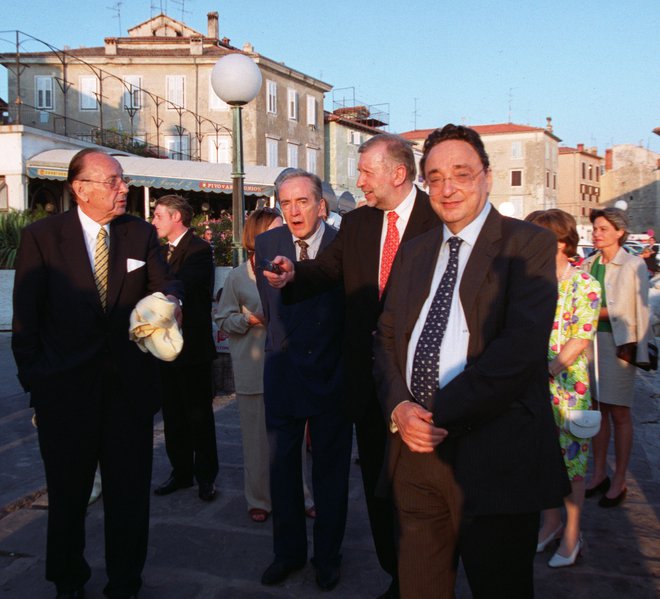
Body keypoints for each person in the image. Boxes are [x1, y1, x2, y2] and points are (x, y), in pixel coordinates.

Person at [372, 124, 569, 598]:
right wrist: (400, 407)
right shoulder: (416, 250)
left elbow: (518, 353)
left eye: (461, 173)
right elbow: (386, 336)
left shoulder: (527, 246)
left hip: (494, 457)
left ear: (488, 177)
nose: (447, 187)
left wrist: (437, 412)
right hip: (416, 457)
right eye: (435, 177)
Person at [262, 133, 440, 598]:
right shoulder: (361, 224)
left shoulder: (438, 220)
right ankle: (397, 575)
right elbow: (327, 271)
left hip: (424, 388)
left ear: (397, 174)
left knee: (424, 493)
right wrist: (293, 274)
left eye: (365, 172)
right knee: (380, 488)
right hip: (367, 385)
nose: (358, 181)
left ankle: (424, 578)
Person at [11, 149, 183, 599]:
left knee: (129, 497)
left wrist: (172, 305)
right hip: (64, 396)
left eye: (122, 180)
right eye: (113, 181)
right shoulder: (42, 238)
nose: (123, 188)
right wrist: (38, 382)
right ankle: (68, 581)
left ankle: (125, 581)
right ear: (80, 188)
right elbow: (25, 320)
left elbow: (166, 285)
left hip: (129, 394)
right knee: (67, 498)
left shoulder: (139, 234)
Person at [255, 169, 352, 592]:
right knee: (283, 471)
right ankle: (287, 553)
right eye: (286, 203)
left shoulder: (344, 246)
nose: (294, 211)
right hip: (284, 373)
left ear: (321, 205)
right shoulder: (267, 244)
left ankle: (327, 557)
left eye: (302, 202)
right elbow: (272, 310)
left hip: (332, 374)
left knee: (331, 473)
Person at [525, 209, 601, 567]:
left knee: (572, 465)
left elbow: (580, 338)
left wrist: (548, 370)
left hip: (568, 386)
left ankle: (572, 534)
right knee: (539, 458)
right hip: (533, 383)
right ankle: (550, 524)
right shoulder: (530, 281)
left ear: (562, 241)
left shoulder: (585, 284)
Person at [214, 207, 283, 522]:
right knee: (256, 442)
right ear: (258, 235)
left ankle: (301, 494)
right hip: (252, 368)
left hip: (287, 366)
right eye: (275, 229)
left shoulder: (290, 269)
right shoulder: (238, 276)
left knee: (290, 442)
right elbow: (222, 318)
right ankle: (259, 499)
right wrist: (249, 319)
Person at [582, 207, 653, 507]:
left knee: (620, 412)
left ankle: (620, 479)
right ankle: (599, 474)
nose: (597, 234)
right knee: (597, 410)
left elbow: (635, 310)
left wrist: (591, 313)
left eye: (603, 229)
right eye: (595, 228)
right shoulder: (588, 263)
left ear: (619, 232)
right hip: (589, 344)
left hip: (618, 344)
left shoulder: (633, 264)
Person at [151, 195, 219, 501]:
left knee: (199, 415)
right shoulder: (158, 251)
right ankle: (181, 473)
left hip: (192, 349)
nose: (154, 221)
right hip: (164, 348)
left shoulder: (199, 250)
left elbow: (180, 285)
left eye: (158, 216)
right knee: (173, 415)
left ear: (176, 217)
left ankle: (206, 477)